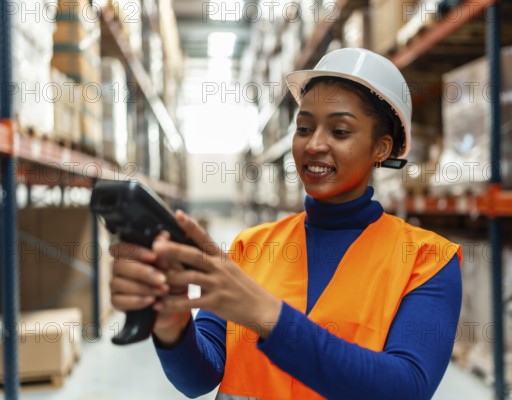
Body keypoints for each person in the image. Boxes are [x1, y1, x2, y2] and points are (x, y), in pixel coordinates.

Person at [109, 48, 462, 400]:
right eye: (304, 127)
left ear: (382, 148)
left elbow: (405, 388)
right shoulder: (254, 247)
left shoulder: (426, 260)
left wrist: (267, 316)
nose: (314, 145)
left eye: (339, 131)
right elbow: (198, 379)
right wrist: (174, 327)